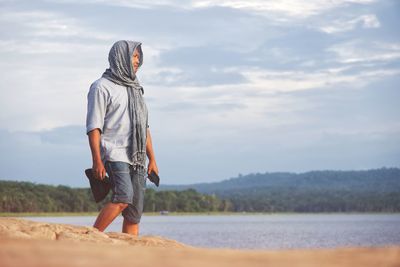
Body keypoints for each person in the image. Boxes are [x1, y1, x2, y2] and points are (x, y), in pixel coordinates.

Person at [86, 40, 159, 236]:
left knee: (134, 214)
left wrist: (152, 159)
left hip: (137, 158)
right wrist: (97, 160)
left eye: (138, 57)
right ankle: (90, 239)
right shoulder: (101, 87)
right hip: (114, 152)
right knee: (123, 197)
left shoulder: (135, 89)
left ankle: (129, 256)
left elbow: (144, 127)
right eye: (133, 56)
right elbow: (94, 127)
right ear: (120, 57)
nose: (137, 61)